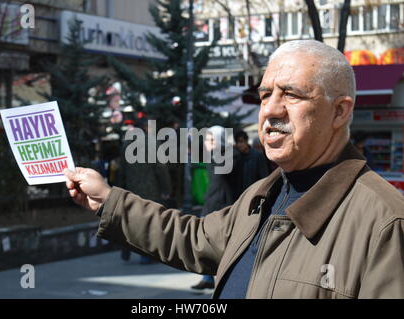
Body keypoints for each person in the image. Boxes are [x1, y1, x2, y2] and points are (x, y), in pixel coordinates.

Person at [64, 40, 404, 298]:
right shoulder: (263, 195)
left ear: (340, 112)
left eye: (292, 95)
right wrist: (109, 200)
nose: (271, 110)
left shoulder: (385, 223)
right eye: (266, 94)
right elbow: (193, 239)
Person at [115, 118, 172, 264]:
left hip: (130, 190)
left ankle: (126, 250)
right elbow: (161, 169)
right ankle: (146, 255)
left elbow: (122, 170)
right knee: (149, 222)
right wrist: (166, 189)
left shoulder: (127, 143)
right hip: (151, 190)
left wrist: (119, 189)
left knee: (130, 221)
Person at [191, 126, 234, 290]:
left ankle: (222, 280)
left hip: (224, 206)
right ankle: (207, 278)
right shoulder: (212, 157)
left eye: (211, 139)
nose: (207, 143)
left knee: (222, 246)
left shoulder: (228, 156)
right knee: (205, 243)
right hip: (210, 205)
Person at [229, 130, 269, 201]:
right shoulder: (236, 156)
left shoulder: (258, 156)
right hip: (238, 196)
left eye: (241, 141)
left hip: (253, 194)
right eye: (237, 142)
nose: (239, 145)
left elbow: (264, 176)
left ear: (246, 141)